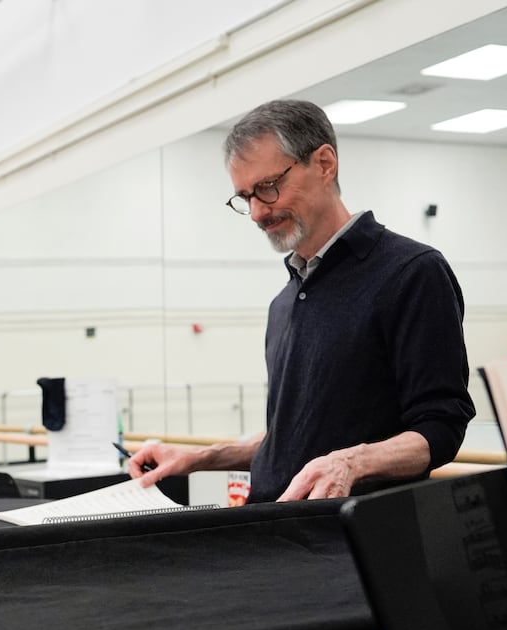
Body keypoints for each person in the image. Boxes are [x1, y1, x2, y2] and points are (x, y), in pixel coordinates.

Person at [128, 100, 474, 503]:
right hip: (273, 534)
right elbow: (290, 439)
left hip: (348, 545)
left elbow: (441, 426)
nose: (257, 212)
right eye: (245, 196)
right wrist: (198, 457)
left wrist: (351, 463)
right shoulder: (285, 302)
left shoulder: (411, 273)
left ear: (325, 164)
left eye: (268, 187)